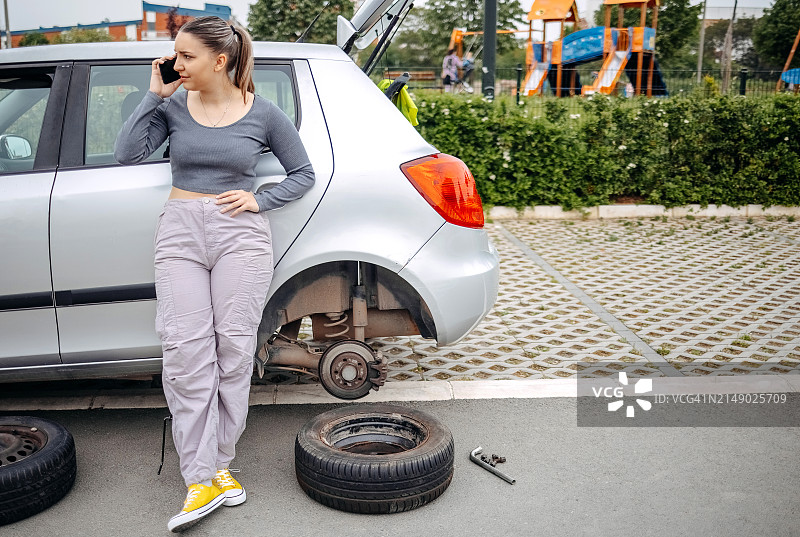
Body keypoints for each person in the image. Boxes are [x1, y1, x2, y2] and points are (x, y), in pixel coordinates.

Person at [114, 16, 315, 533]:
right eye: (176, 55)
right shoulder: (173, 106)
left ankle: (220, 465)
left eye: (187, 56)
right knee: (186, 352)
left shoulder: (263, 113)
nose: (175, 64)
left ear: (220, 61)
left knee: (233, 349)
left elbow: (303, 174)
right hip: (180, 231)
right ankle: (199, 478)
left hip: (240, 236)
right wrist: (154, 95)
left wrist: (260, 199)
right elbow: (127, 152)